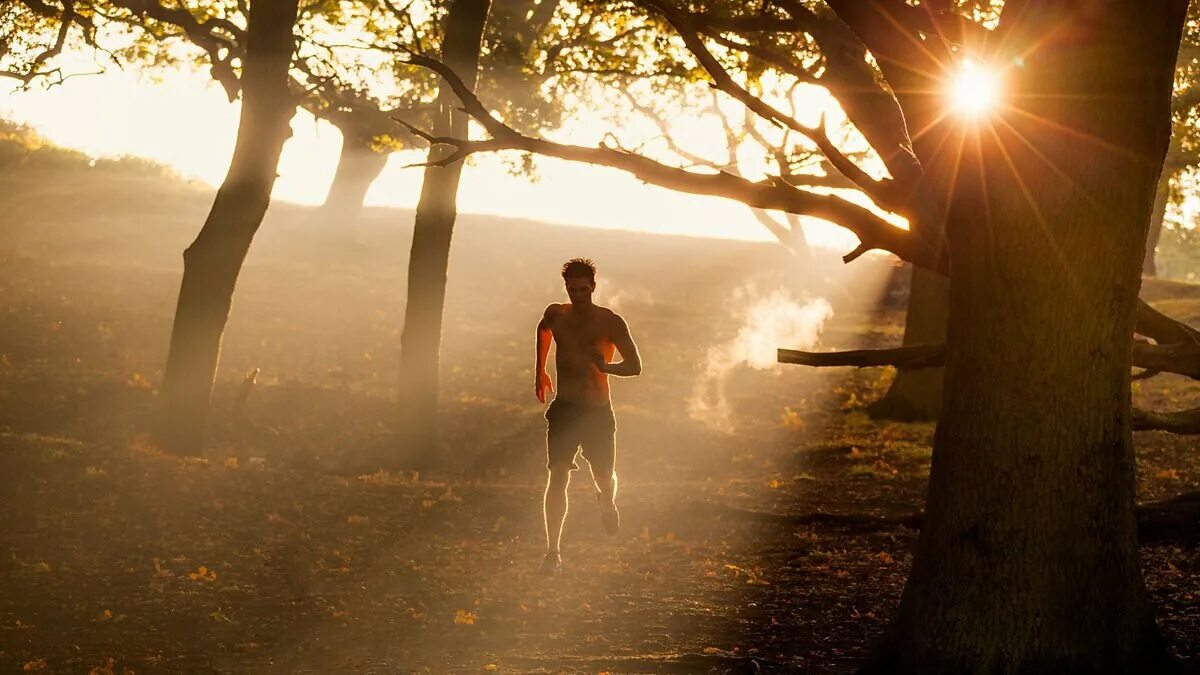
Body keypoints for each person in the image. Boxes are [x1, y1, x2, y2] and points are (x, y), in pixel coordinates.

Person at [534, 258, 642, 575]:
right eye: (572, 290)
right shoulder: (556, 315)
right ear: (566, 288)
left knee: (604, 475)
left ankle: (607, 502)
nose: (577, 295)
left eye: (583, 289)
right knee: (558, 475)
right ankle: (552, 553)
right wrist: (539, 370)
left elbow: (635, 366)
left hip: (597, 411)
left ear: (593, 287)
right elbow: (542, 330)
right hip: (565, 408)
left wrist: (605, 367)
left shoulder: (610, 322)